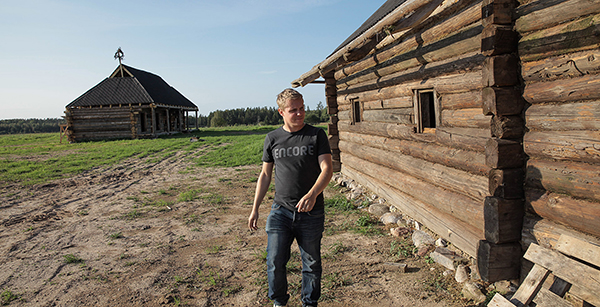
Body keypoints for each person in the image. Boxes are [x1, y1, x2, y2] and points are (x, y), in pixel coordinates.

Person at [248, 88, 333, 307]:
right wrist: (255, 208)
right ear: (281, 112)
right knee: (275, 260)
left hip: (311, 211)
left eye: (302, 108)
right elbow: (265, 175)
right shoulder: (273, 138)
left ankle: (309, 303)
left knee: (311, 263)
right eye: (293, 110)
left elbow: (327, 169)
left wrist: (313, 194)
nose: (299, 113)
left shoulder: (316, 135)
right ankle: (279, 302)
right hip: (281, 211)